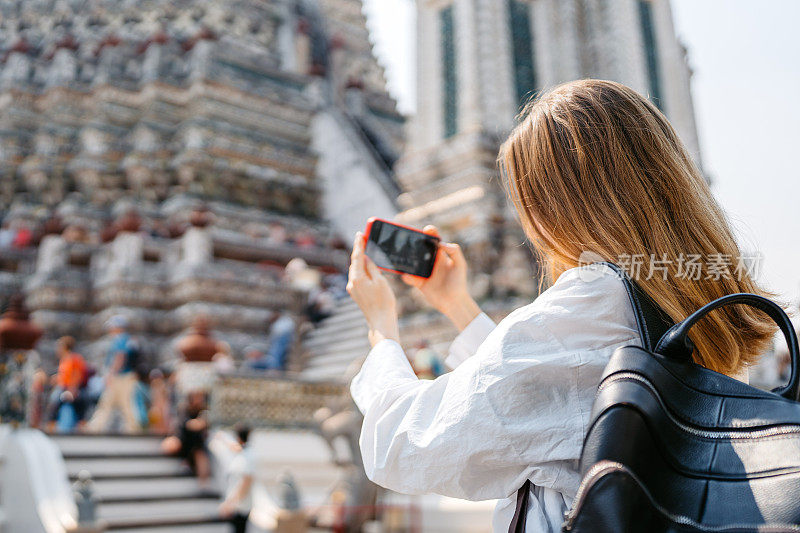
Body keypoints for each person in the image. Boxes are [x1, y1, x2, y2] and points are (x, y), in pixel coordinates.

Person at [345, 80, 777, 532]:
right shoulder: (691, 299)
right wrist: (457, 306)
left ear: (556, 206)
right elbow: (558, 391)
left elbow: (402, 445)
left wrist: (382, 332)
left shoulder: (591, 302)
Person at [87, 315, 141, 433]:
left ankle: (95, 428)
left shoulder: (120, 339)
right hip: (128, 377)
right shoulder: (131, 340)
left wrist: (111, 374)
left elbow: (120, 356)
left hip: (120, 377)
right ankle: (96, 427)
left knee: (116, 404)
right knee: (117, 403)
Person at [45, 336, 88, 430]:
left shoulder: (74, 358)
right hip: (63, 386)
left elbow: (77, 375)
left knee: (56, 404)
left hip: (69, 388)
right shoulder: (64, 360)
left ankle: (52, 425)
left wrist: (72, 389)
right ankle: (53, 425)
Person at [219, 424, 256, 533]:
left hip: (241, 506)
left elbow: (246, 483)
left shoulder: (248, 457)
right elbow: (234, 447)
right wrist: (223, 438)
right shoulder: (245, 452)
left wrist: (231, 503)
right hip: (239, 505)